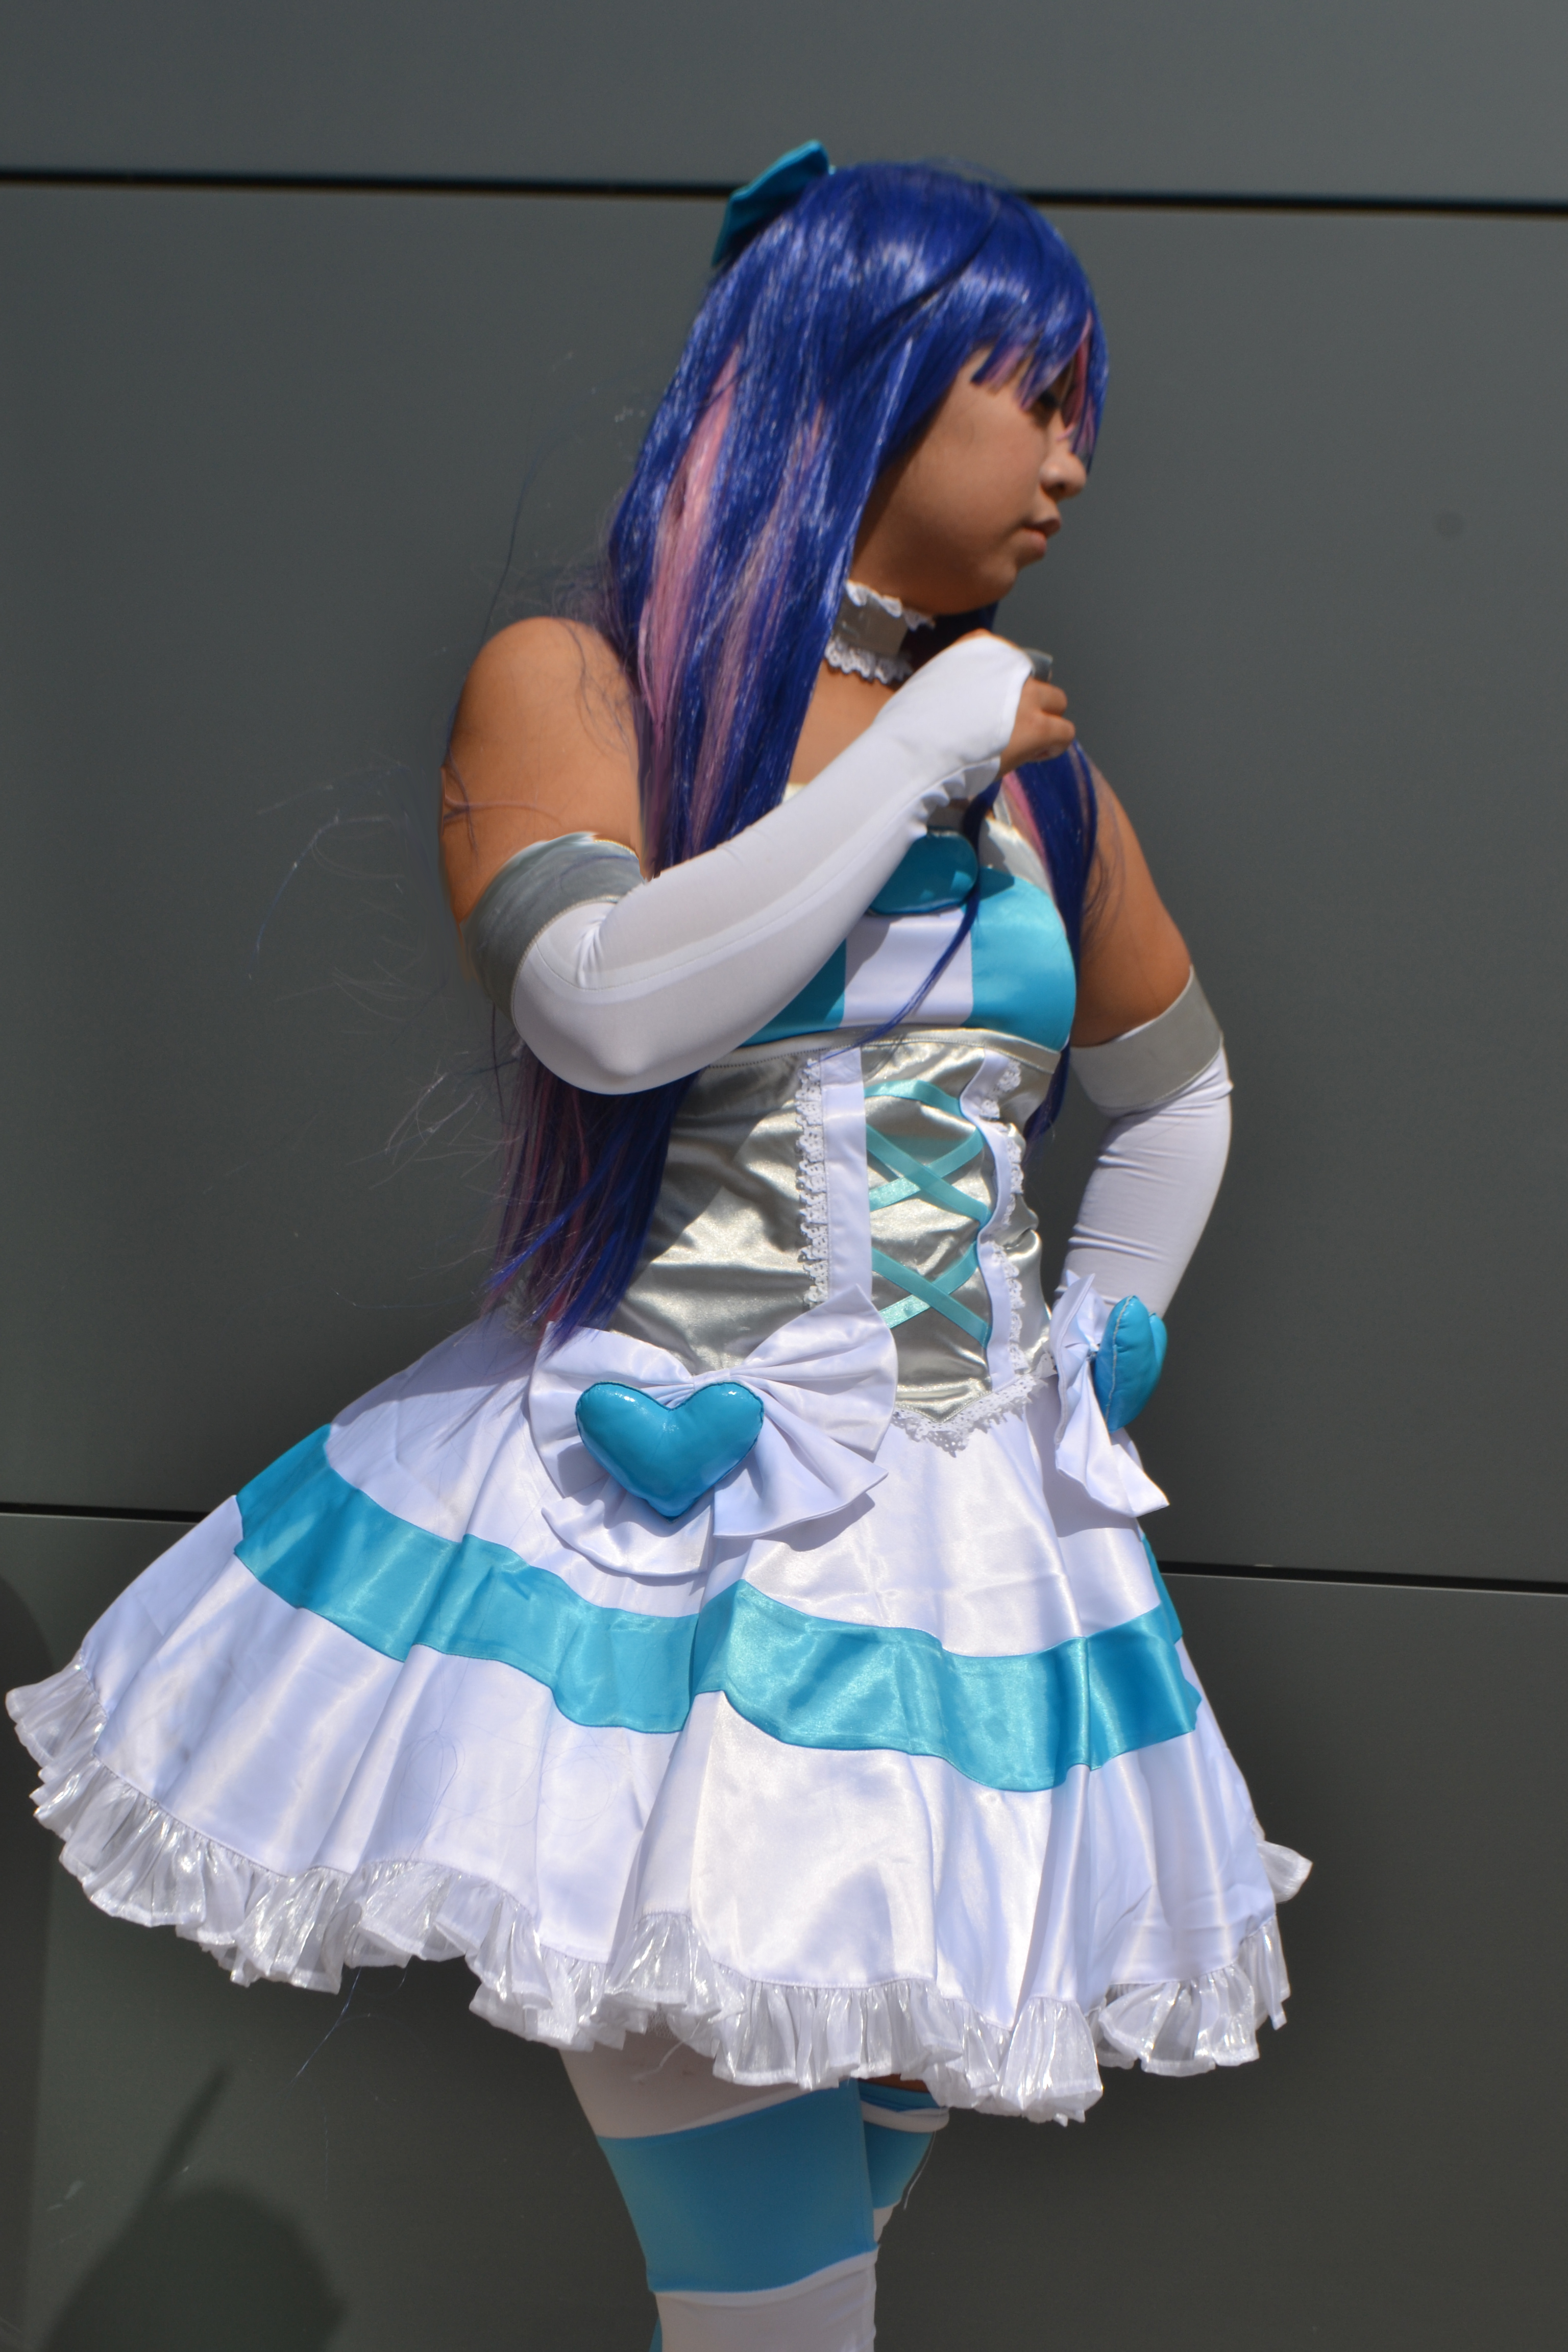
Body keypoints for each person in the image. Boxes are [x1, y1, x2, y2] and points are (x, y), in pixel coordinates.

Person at [10, 152, 1307, 2351]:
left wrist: (1104, 1336)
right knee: (777, 2314)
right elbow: (604, 1011)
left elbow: (1177, 1092)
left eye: (1086, 409)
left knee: (814, 2282)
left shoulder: (1041, 783)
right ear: (860, 374)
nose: (1074, 461)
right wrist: (919, 750)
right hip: (664, 1549)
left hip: (974, 1592)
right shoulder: (589, 685)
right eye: (1032, 394)